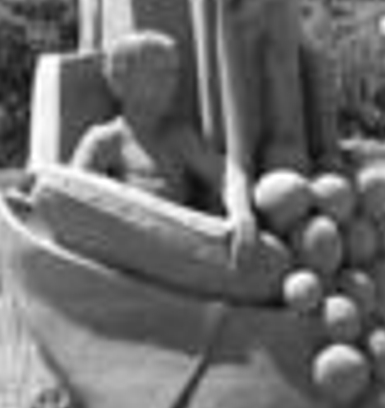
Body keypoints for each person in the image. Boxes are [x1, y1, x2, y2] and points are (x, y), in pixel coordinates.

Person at [70, 29, 260, 264]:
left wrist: (242, 214)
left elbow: (225, 173)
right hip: (125, 261)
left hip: (179, 255)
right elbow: (74, 196)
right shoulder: (104, 140)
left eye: (173, 74)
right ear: (122, 81)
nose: (171, 83)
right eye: (159, 74)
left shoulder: (178, 137)